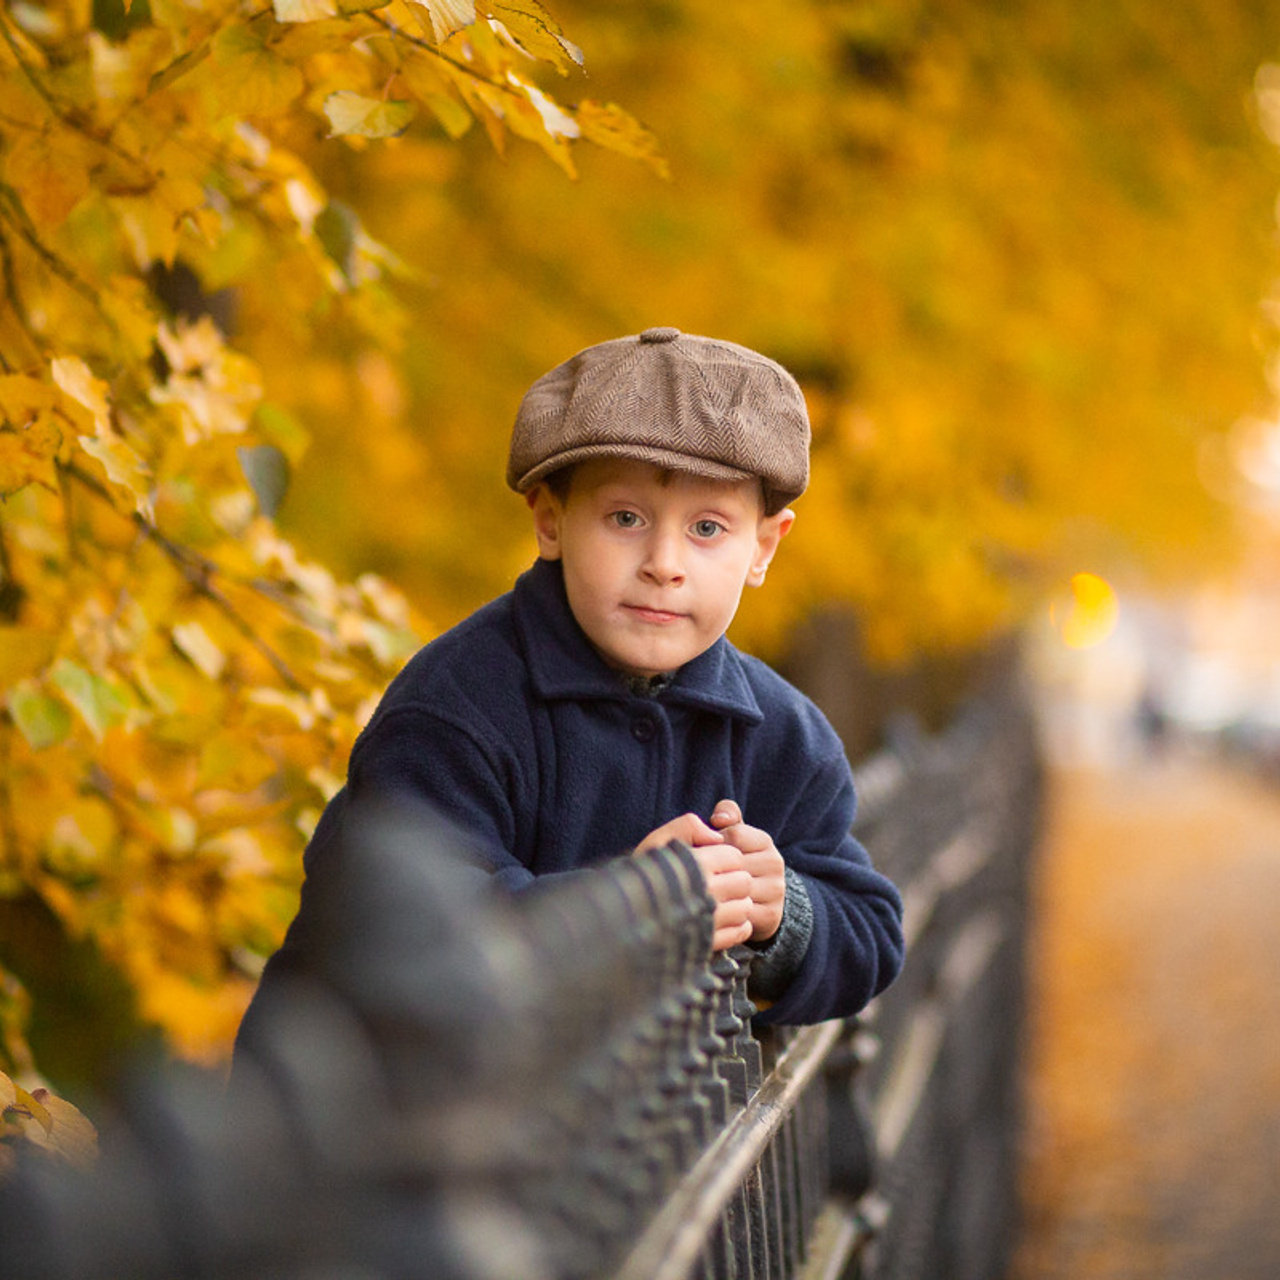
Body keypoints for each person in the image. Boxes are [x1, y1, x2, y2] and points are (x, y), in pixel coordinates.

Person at [236, 327, 903, 1040]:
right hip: (377, 1126)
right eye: (625, 518)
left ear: (764, 547)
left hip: (619, 1133)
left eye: (708, 529)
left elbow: (870, 932)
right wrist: (622, 909)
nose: (664, 563)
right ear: (551, 522)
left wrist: (783, 914)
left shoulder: (783, 737)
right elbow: (402, 935)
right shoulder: (457, 707)